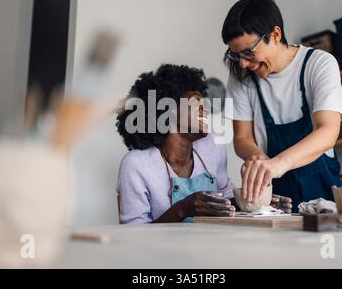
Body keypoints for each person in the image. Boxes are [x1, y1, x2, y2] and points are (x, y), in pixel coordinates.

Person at [116, 64, 292, 223]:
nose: (206, 109)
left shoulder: (213, 145)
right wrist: (182, 210)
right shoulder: (136, 164)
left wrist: (256, 204)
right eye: (196, 103)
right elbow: (134, 232)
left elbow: (225, 197)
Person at [222, 0, 342, 212]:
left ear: (275, 34)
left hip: (322, 182)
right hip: (276, 192)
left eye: (248, 52)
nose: (242, 63)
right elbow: (241, 138)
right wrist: (259, 161)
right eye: (235, 55)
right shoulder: (239, 78)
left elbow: (328, 131)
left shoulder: (319, 64)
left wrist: (278, 164)